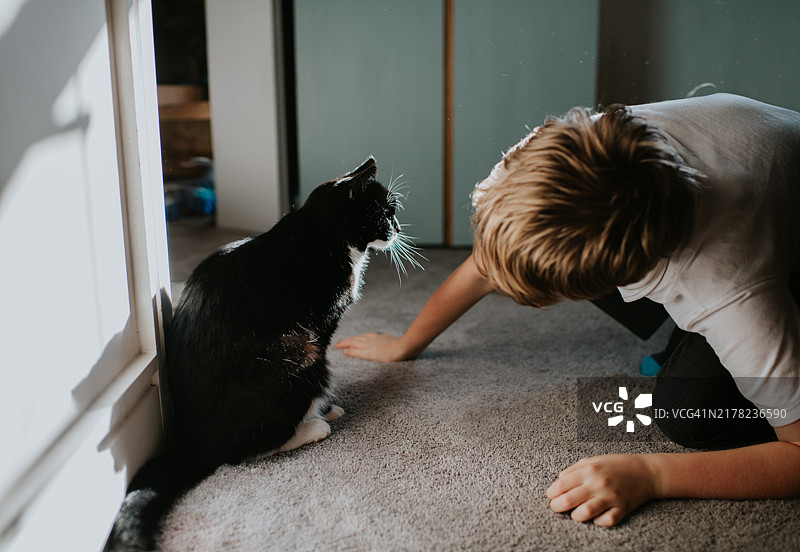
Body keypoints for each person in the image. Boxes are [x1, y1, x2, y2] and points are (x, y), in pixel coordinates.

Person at [335, 93, 800, 526]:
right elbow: (486, 264)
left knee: (686, 413)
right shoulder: (544, 159)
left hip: (779, 236)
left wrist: (652, 473)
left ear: (617, 277)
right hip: (750, 153)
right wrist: (406, 343)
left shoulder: (732, 291)